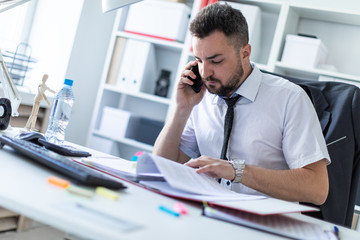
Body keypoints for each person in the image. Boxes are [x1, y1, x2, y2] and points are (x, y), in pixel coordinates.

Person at [153, 3, 331, 205]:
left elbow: (317, 189)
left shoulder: (290, 98)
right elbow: (161, 166)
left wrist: (236, 170)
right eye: (199, 60)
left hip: (265, 226)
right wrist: (181, 108)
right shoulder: (201, 96)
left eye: (216, 61)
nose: (205, 72)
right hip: (206, 214)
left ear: (245, 53)